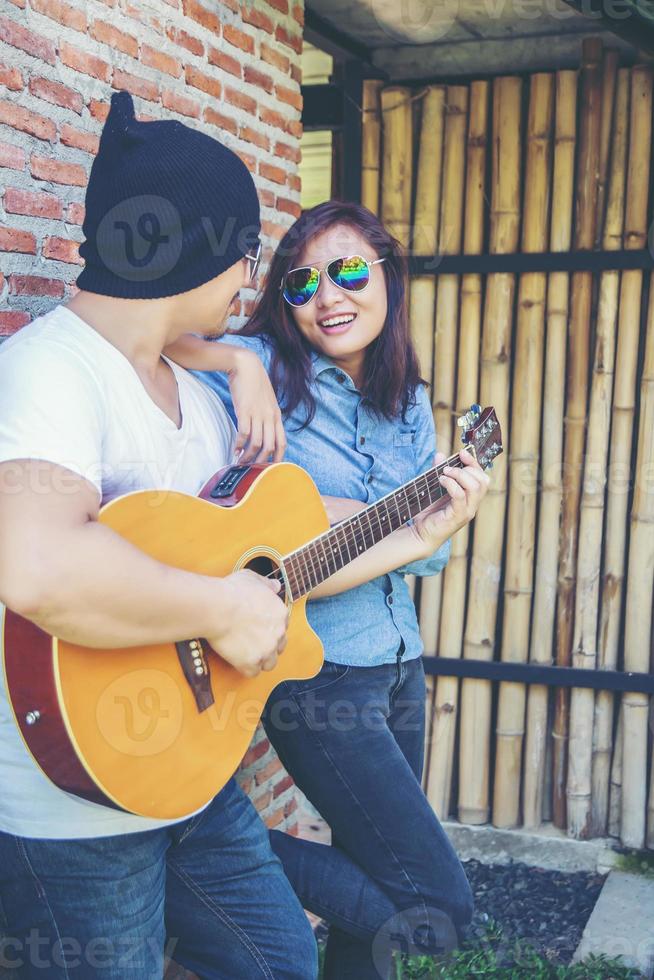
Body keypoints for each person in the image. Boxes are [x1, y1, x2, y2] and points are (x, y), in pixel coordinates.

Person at [0, 91, 318, 980]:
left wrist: (413, 520)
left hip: (191, 779)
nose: (246, 287)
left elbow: (236, 546)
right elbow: (38, 564)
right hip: (75, 814)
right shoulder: (47, 374)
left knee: (279, 962)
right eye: (245, 259)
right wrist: (223, 607)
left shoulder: (201, 396)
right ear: (199, 250)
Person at [165, 200, 490, 979]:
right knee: (435, 910)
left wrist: (423, 531)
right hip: (317, 673)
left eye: (348, 271)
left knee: (373, 877)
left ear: (386, 276)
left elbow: (426, 559)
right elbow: (156, 338)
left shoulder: (405, 398)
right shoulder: (264, 369)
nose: (328, 296)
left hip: (400, 662)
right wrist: (238, 364)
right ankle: (176, 856)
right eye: (303, 283)